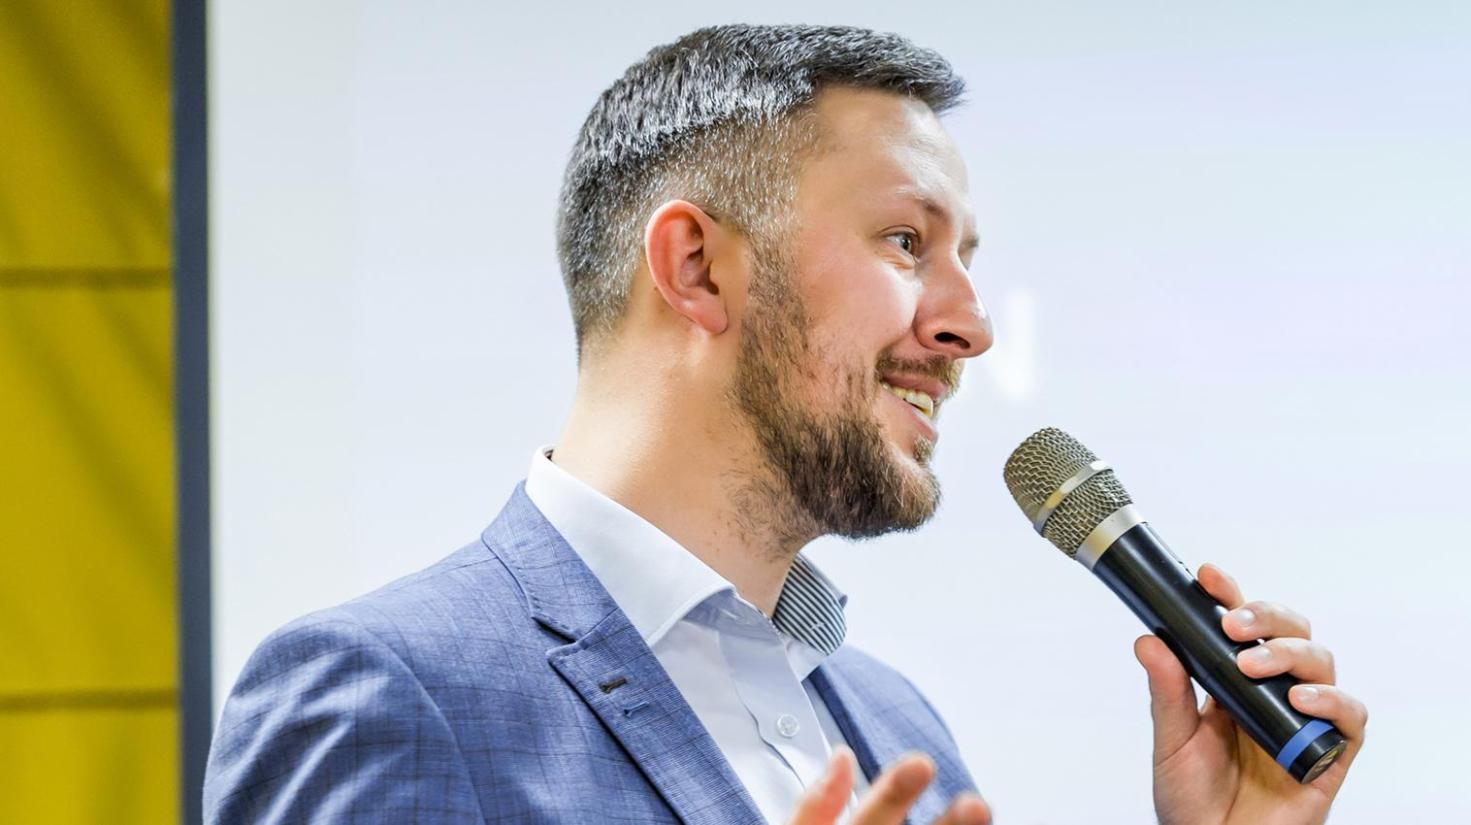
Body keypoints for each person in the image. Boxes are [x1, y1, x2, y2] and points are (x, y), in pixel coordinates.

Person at [204, 23, 1367, 825]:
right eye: (907, 243)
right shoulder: (388, 692)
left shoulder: (891, 722)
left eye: (967, 261)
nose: (968, 325)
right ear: (698, 266)